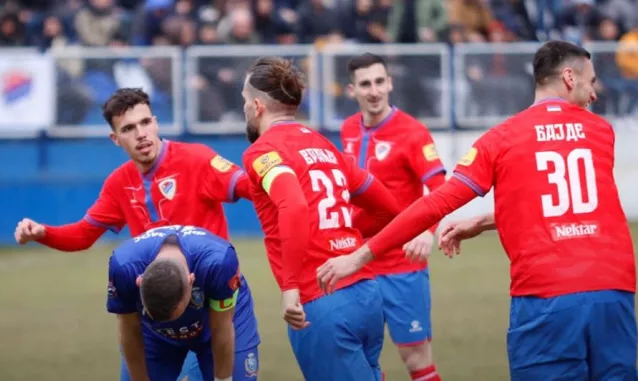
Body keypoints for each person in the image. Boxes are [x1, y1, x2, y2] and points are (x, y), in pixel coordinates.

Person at [318, 40, 637, 380]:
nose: (594, 95)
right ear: (570, 78)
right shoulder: (601, 132)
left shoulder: (502, 139)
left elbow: (437, 201)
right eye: (591, 83)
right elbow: (568, 206)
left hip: (547, 294)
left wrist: (361, 255)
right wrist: (487, 221)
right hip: (613, 292)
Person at [12, 88, 255, 381]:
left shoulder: (197, 159)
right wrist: (43, 233)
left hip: (214, 301)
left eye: (145, 123)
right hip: (157, 311)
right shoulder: (119, 183)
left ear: (155, 122)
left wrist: (280, 179)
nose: (141, 134)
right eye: (128, 128)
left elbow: (245, 185)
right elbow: (84, 234)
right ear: (115, 138)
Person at [240, 56, 404, 381]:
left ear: (257, 106)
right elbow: (389, 208)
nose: (244, 108)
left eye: (244, 102)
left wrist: (289, 287)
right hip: (366, 293)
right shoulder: (325, 146)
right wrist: (346, 237)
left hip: (321, 302)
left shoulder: (262, 152)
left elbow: (294, 205)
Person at [341, 53, 446, 381]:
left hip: (402, 264)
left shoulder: (413, 132)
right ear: (352, 90)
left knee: (416, 359)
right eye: (365, 84)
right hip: (357, 264)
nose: (373, 91)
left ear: (390, 83)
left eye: (379, 82)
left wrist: (427, 231)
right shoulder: (347, 129)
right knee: (360, 358)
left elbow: (440, 187)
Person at [107, 225, 260, 381]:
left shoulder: (219, 263)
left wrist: (223, 379)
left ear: (191, 281)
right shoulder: (124, 268)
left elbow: (222, 327)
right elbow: (129, 329)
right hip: (154, 334)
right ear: (139, 282)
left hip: (217, 319)